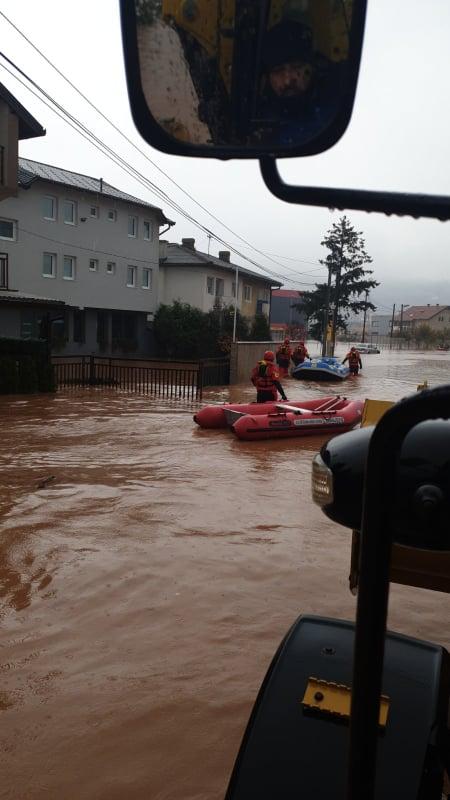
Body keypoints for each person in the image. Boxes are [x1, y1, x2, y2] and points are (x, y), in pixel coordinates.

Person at [255, 19, 344, 147]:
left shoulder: (336, 107)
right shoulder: (259, 119)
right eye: (278, 71)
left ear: (311, 67)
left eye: (297, 67)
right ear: (268, 76)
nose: (288, 80)